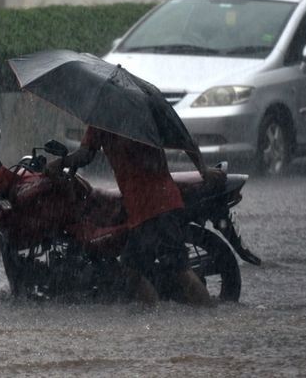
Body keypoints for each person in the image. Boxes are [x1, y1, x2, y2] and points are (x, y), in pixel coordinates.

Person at [47, 126, 225, 306]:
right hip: (145, 207)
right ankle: (154, 315)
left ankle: (207, 315)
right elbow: (185, 139)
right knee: (132, 270)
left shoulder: (108, 120)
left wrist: (59, 163)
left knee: (179, 269)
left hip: (157, 206)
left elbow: (85, 155)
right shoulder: (128, 118)